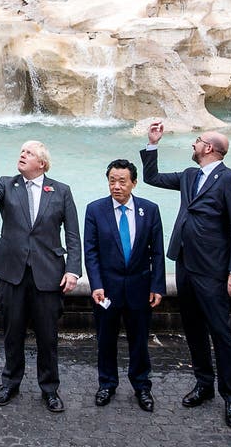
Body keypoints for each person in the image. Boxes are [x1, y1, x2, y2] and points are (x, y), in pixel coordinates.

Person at [140, 121, 231, 428]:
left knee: (221, 332)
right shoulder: (190, 175)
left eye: (198, 140)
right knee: (193, 329)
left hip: (214, 268)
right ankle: (204, 384)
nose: (193, 144)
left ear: (209, 148)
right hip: (186, 263)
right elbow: (151, 178)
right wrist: (152, 144)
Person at [0, 142, 82, 413]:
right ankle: (10, 383)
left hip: (48, 273)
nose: (22, 155)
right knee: (12, 332)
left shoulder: (61, 191)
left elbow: (73, 236)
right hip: (12, 272)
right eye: (21, 151)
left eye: (29, 153)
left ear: (42, 163)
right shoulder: (7, 184)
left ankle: (50, 389)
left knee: (48, 336)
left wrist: (72, 269)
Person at [82, 158, 165, 412]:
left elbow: (157, 253)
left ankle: (142, 386)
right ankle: (107, 383)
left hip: (139, 288)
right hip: (107, 289)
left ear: (134, 183)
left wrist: (157, 286)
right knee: (105, 339)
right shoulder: (95, 210)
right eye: (112, 181)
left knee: (139, 340)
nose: (116, 186)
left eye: (122, 181)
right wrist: (95, 284)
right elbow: (91, 251)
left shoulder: (149, 210)